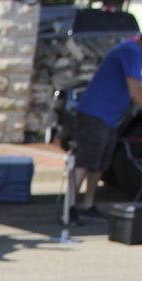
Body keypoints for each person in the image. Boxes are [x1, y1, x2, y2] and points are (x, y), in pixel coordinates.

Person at [71, 34, 142, 222]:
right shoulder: (130, 51)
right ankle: (68, 207)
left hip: (109, 118)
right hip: (95, 114)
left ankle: (88, 204)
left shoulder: (133, 53)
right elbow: (135, 90)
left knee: (100, 164)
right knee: (85, 160)